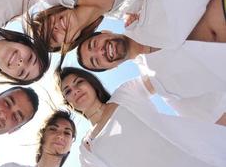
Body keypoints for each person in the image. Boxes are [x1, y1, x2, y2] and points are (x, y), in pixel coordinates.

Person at [56, 67, 226, 167]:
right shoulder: (87, 149)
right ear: (68, 102)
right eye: (68, 91)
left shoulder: (125, 94)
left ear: (92, 83)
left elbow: (162, 74)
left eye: (79, 82)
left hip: (207, 164)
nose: (75, 90)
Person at [77, 30, 226, 122]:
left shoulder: (145, 11)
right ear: (111, 68)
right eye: (96, 61)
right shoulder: (161, 84)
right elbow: (216, 119)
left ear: (106, 32)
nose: (100, 51)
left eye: (94, 44)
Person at [31, 0, 137, 52]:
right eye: (53, 37)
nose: (53, 28)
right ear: (69, 43)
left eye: (48, 22)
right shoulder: (121, 10)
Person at [0, 110, 76, 167]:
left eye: (67, 133)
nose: (60, 135)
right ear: (43, 136)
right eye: (53, 129)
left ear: (71, 144)